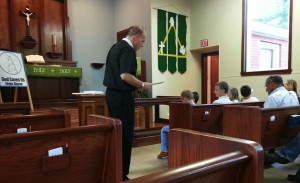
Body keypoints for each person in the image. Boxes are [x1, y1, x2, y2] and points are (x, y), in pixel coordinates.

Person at [103, 25, 152, 181]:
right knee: (125, 135)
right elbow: (125, 76)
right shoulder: (128, 49)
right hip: (122, 97)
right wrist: (143, 84)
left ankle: (114, 170)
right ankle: (122, 174)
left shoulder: (114, 47)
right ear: (135, 37)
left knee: (116, 134)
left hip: (112, 95)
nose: (142, 45)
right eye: (142, 41)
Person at [157, 90, 198, 159]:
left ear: (184, 99)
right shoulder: (197, 106)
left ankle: (165, 151)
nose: (182, 101)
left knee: (164, 129)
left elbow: (178, 121)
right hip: (194, 128)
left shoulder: (183, 107)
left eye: (182, 99)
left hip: (184, 128)